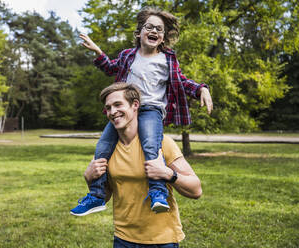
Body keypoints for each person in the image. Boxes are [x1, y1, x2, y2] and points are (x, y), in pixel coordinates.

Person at [71, 6, 211, 216]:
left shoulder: (167, 59)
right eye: (149, 27)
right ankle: (97, 196)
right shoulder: (129, 55)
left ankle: (157, 193)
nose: (154, 31)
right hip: (127, 109)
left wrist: (201, 88)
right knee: (102, 147)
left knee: (150, 146)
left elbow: (181, 81)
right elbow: (110, 68)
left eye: (159, 29)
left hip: (152, 109)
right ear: (139, 33)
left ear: (163, 38)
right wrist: (99, 52)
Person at [81, 83, 202, 247]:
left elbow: (196, 190)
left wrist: (168, 174)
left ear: (135, 105)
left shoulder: (162, 144)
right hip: (123, 239)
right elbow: (107, 196)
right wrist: (90, 179)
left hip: (162, 240)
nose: (112, 112)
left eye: (118, 104)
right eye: (108, 108)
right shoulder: (107, 150)